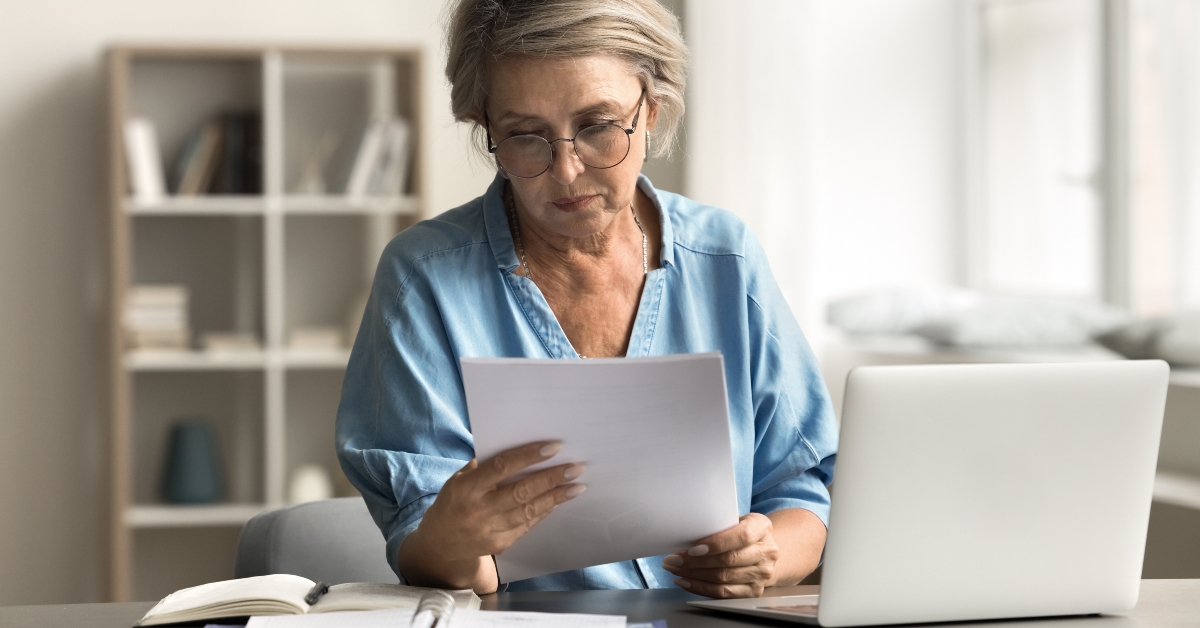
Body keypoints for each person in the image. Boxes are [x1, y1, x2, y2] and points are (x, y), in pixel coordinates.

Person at [336, 0, 837, 599]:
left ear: (650, 111)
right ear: (485, 126)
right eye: (526, 137)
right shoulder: (424, 278)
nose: (568, 171)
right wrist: (452, 539)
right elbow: (441, 557)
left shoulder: (726, 258)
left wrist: (767, 554)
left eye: (599, 127)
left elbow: (804, 487)